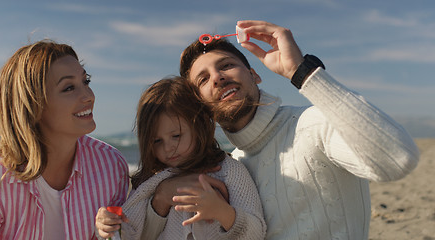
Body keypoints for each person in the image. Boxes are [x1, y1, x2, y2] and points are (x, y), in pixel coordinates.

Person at [147, 20, 420, 239]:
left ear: (254, 75)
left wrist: (302, 72)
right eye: (203, 79)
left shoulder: (313, 125)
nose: (217, 78)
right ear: (199, 105)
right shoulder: (230, 168)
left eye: (227, 65)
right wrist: (161, 193)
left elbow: (398, 160)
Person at [0, 40, 129, 239]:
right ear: (33, 106)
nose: (89, 96)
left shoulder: (110, 165)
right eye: (69, 88)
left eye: (86, 81)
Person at [96, 77, 266, 239]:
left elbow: (256, 232)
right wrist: (107, 224)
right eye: (157, 141)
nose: (168, 148)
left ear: (198, 125)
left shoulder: (229, 171)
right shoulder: (152, 182)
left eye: (176, 136)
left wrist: (222, 211)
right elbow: (130, 234)